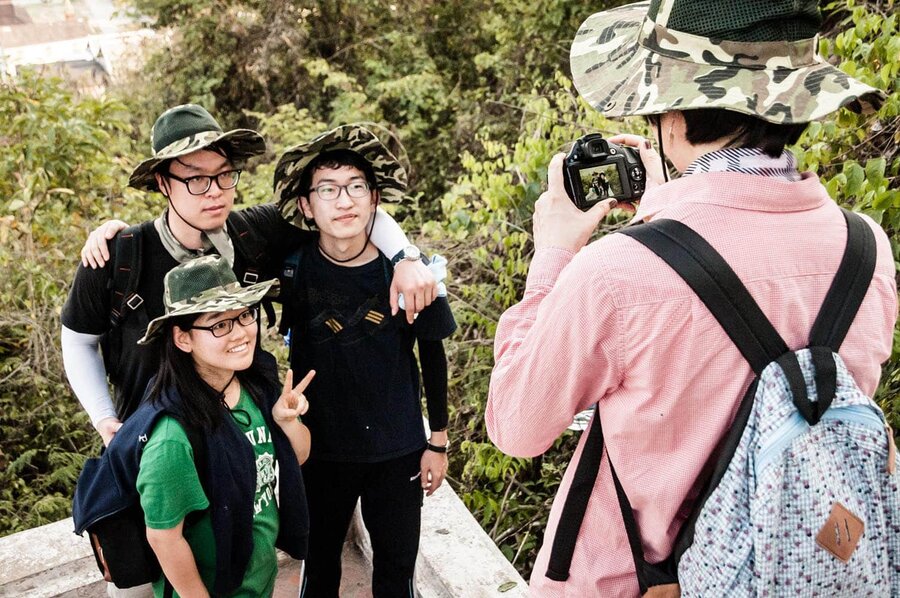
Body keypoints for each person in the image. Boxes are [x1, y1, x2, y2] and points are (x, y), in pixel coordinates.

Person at [486, 1, 895, 596]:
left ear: (672, 117)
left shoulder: (618, 271)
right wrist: (669, 215)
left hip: (632, 581)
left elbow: (516, 427)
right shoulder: (866, 247)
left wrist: (552, 256)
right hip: (798, 569)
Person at [61, 104, 437, 449]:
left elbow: (346, 214)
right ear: (163, 182)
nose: (215, 192)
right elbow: (78, 340)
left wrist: (405, 257)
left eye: (225, 175)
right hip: (154, 448)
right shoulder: (119, 256)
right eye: (196, 179)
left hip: (246, 446)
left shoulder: (252, 233)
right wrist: (104, 418)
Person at [272, 124, 457, 597]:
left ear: (374, 200)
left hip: (396, 450)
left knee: (396, 577)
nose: (344, 201)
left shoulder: (410, 273)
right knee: (319, 574)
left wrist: (437, 442)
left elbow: (432, 355)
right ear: (306, 206)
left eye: (356, 187)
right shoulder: (291, 267)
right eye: (328, 189)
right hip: (320, 450)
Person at [131, 254, 311, 597]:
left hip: (256, 578)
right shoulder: (172, 436)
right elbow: (164, 537)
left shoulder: (254, 387)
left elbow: (299, 456)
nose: (241, 333)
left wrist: (285, 422)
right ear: (183, 338)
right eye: (219, 325)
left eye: (243, 315)